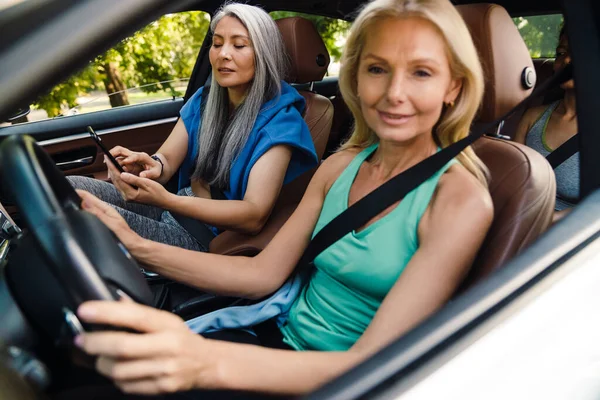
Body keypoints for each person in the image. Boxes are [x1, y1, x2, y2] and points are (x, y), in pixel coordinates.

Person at [59, 0, 493, 397]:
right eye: (377, 69)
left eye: (421, 72)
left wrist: (204, 361)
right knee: (86, 375)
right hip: (270, 330)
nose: (395, 92)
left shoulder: (459, 201)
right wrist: (136, 247)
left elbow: (375, 364)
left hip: (336, 382)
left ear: (453, 87)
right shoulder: (341, 167)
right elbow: (263, 276)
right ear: (356, 78)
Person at [67, 3, 318, 252]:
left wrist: (168, 200)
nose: (223, 54)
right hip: (178, 205)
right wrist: (150, 165)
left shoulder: (282, 123)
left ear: (265, 53)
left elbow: (253, 216)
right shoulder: (204, 100)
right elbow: (166, 160)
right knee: (69, 189)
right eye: (217, 44)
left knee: (84, 221)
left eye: (239, 45)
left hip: (210, 236)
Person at [514, 24, 578, 221]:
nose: (566, 60)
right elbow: (513, 181)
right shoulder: (532, 117)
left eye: (578, 52)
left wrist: (550, 220)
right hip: (519, 224)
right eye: (561, 52)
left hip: (575, 237)